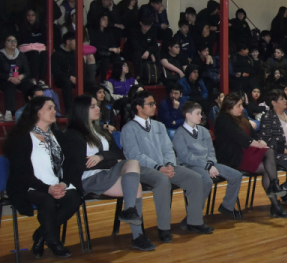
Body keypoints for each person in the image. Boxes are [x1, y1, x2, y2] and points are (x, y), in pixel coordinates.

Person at [61, 94, 156, 251]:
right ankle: (136, 231)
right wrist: (111, 161)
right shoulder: (72, 134)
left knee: (134, 176)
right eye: (93, 106)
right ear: (81, 109)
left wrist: (101, 156)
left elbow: (119, 155)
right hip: (89, 178)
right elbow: (82, 165)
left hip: (108, 172)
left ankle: (135, 226)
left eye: (97, 105)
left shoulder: (101, 131)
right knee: (135, 180)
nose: (98, 108)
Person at [120, 89, 213, 242]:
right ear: (138, 107)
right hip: (143, 169)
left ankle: (194, 221)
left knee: (196, 178)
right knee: (162, 181)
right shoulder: (129, 128)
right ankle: (164, 228)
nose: (154, 106)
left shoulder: (159, 126)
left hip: (165, 167)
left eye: (154, 103)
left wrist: (169, 164)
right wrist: (158, 167)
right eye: (150, 104)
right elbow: (134, 155)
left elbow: (168, 149)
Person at [2, 96, 81, 258]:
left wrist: (64, 184)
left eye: (54, 108)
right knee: (47, 200)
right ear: (38, 112)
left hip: (56, 185)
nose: (54, 112)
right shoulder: (22, 138)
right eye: (50, 108)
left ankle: (41, 235)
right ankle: (53, 242)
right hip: (29, 186)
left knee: (74, 198)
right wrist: (48, 189)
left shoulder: (57, 136)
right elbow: (21, 174)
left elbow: (72, 163)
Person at [213, 92, 287, 218]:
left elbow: (252, 133)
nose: (242, 108)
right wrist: (256, 143)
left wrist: (260, 140)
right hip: (233, 155)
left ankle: (275, 201)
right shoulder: (223, 119)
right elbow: (239, 137)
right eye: (239, 106)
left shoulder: (241, 116)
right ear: (229, 107)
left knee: (269, 154)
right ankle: (275, 192)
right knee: (268, 161)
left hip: (245, 150)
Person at [172, 100, 244, 219]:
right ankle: (193, 216)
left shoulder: (204, 131)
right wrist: (207, 166)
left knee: (236, 175)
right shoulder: (179, 134)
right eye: (198, 113)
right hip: (189, 165)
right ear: (188, 115)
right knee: (206, 181)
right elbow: (186, 157)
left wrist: (210, 163)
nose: (201, 116)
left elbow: (211, 151)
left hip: (207, 163)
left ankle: (227, 206)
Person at [0, 33, 32, 121]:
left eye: (14, 41)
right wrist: (10, 78)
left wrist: (21, 76)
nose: (13, 42)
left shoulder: (21, 55)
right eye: (9, 40)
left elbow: (27, 71)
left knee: (29, 85)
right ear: (4, 43)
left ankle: (31, 109)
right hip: (4, 79)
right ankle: (9, 112)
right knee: (10, 86)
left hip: (18, 79)